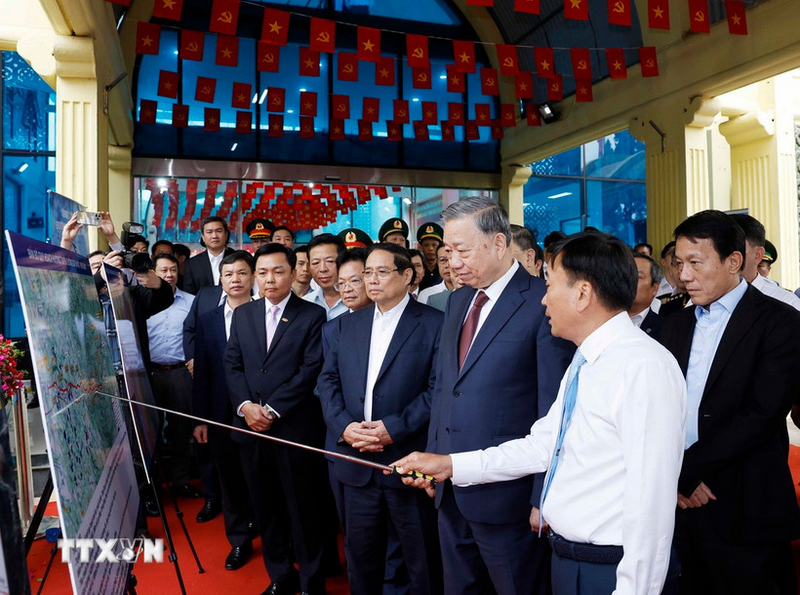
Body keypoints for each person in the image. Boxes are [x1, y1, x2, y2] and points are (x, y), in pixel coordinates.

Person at [393, 231, 687, 595]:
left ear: (582, 294)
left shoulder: (643, 366)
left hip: (612, 570)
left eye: (550, 286)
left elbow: (652, 504)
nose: (543, 299)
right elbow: (541, 446)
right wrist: (451, 465)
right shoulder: (585, 360)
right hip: (567, 559)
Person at [424, 197, 574, 595]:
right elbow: (445, 388)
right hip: (450, 488)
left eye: (461, 250)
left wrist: (543, 495)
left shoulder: (541, 303)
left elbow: (552, 410)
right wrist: (433, 460)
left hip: (509, 498)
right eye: (447, 251)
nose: (452, 262)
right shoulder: (458, 300)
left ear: (497, 243)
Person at [659, 210, 800, 594]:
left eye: (695, 263)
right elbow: (656, 409)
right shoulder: (673, 324)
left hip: (747, 505)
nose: (684, 275)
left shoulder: (780, 322)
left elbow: (760, 414)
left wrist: (687, 470)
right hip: (679, 506)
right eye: (679, 263)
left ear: (733, 261)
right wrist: (674, 476)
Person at [318, 242, 443, 595]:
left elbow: (438, 390)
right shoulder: (346, 326)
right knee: (362, 561)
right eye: (367, 273)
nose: (371, 280)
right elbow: (327, 382)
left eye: (381, 272)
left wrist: (394, 428)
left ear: (407, 276)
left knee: (422, 561)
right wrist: (343, 425)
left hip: (408, 463)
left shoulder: (435, 323)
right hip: (357, 461)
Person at [224, 243, 329, 595]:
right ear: (256, 276)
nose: (271, 279)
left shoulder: (311, 316)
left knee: (303, 509)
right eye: (263, 272)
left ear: (294, 272)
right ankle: (280, 575)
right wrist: (245, 406)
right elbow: (232, 364)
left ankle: (312, 582)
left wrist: (270, 409)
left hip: (293, 429)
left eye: (278, 271)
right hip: (250, 430)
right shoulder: (243, 315)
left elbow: (310, 368)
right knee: (265, 508)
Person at [192, 250, 256, 571]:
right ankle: (239, 540)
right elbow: (202, 372)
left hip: (260, 416)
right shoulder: (209, 320)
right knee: (229, 480)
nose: (235, 280)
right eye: (229, 274)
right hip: (219, 415)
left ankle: (266, 530)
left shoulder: (265, 314)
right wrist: (201, 418)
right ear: (221, 279)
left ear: (253, 277)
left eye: (242, 273)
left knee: (261, 479)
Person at [146, 253, 201, 499]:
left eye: (173, 270)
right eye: (163, 270)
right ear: (154, 273)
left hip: (181, 374)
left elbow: (200, 335)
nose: (169, 275)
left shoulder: (191, 301)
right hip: (151, 374)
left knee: (181, 431)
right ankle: (153, 487)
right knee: (150, 433)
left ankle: (181, 481)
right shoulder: (143, 300)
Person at [729, 214, 800, 310]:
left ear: (757, 255)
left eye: (735, 250)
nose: (725, 256)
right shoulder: (707, 299)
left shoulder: (786, 302)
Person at [183, 216, 235, 295]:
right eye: (209, 232)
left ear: (226, 234)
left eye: (219, 231)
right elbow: (189, 294)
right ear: (203, 237)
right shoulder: (192, 264)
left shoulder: (238, 259)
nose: (214, 236)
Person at [304, 233, 348, 320]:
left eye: (330, 261)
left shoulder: (359, 302)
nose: (323, 269)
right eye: (316, 263)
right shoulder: (305, 303)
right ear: (309, 267)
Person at [628, 253, 663, 338]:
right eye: (625, 275)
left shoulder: (665, 329)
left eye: (638, 277)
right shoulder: (600, 323)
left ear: (655, 288)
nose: (629, 281)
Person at [416, 222, 444, 290]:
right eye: (426, 245)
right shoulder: (418, 270)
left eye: (434, 245)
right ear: (421, 248)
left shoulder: (444, 269)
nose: (430, 249)